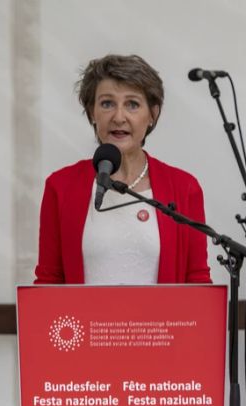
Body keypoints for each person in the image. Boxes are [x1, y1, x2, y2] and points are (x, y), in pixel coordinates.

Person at [34, 54, 211, 285]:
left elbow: (197, 281)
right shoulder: (61, 186)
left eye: (132, 104)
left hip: (159, 322)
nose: (119, 117)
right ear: (92, 112)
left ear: (153, 114)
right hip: (87, 321)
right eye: (107, 103)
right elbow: (49, 281)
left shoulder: (184, 187)